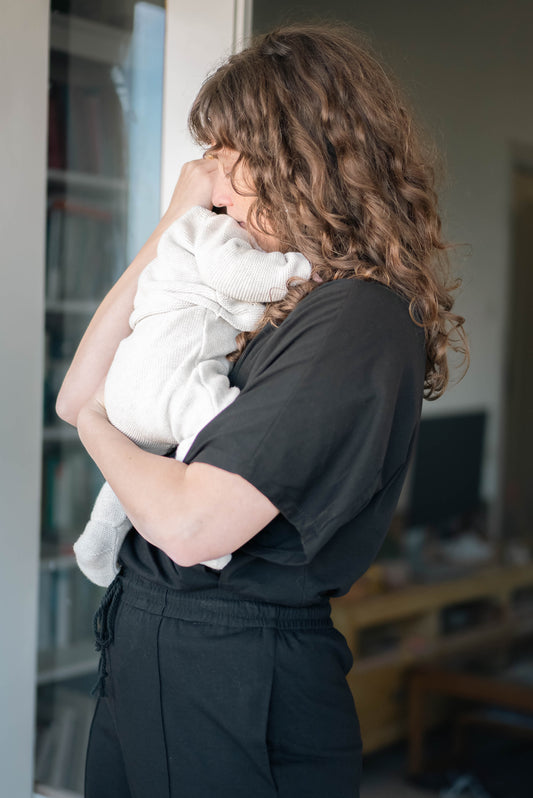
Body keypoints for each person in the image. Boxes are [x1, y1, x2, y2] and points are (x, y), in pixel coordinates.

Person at [56, 23, 467, 798]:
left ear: (301, 159)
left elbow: (189, 526)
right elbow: (78, 388)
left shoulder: (359, 319)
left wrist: (98, 427)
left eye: (229, 157)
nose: (214, 183)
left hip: (230, 674)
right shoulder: (259, 297)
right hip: (156, 648)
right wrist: (173, 233)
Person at [74, 205, 311, 586]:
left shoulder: (179, 251)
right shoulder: (210, 227)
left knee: (128, 473)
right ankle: (203, 530)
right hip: (173, 376)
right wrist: (301, 268)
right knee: (224, 420)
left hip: (125, 389)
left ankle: (98, 536)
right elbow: (238, 275)